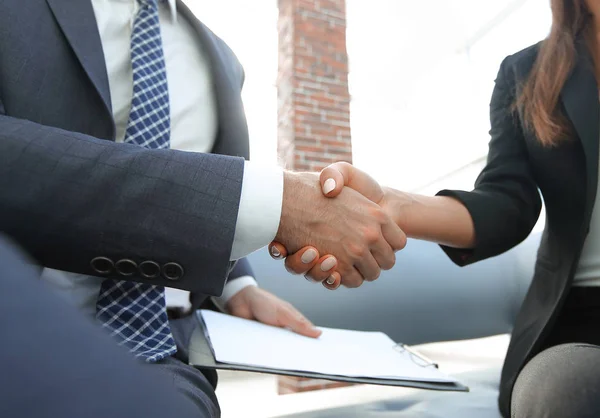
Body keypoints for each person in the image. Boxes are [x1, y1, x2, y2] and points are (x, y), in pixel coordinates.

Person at [0, 0, 406, 416]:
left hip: (162, 351)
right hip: (20, 324)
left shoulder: (222, 59)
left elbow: (198, 189)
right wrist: (281, 203)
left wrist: (237, 287)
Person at [276, 1, 600, 417]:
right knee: (563, 393)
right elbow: (507, 205)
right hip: (575, 326)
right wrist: (392, 206)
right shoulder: (526, 73)